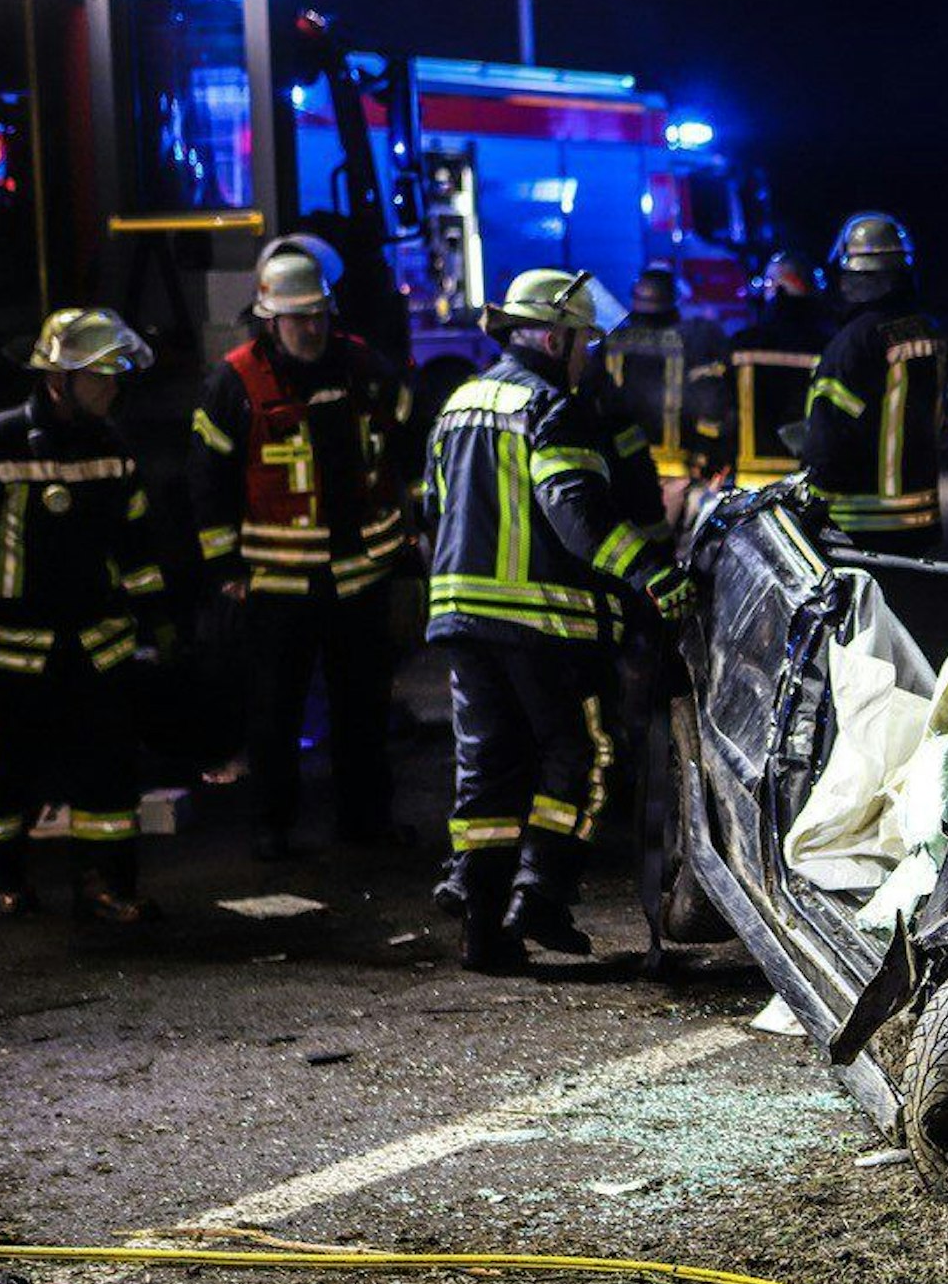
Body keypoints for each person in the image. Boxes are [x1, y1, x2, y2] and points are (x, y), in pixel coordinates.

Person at [424, 269, 693, 972]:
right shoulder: (552, 406)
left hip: (459, 616)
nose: (588, 356)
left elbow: (436, 506)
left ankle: (483, 931)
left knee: (486, 769)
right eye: (581, 341)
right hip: (541, 621)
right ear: (552, 336)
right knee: (581, 755)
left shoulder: (459, 402)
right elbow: (577, 514)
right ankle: (540, 894)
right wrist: (652, 574)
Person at [190, 249, 417, 860]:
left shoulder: (366, 369)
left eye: (317, 316)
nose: (311, 329)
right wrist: (226, 571)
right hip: (277, 582)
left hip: (358, 578)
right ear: (269, 321)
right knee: (274, 714)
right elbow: (208, 486)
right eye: (298, 319)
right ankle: (273, 826)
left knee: (363, 709)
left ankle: (365, 821)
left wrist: (405, 544)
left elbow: (405, 454)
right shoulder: (234, 384)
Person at [0, 308, 168, 920]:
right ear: (58, 382)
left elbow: (136, 548)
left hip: (97, 641)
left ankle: (105, 883)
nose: (112, 388)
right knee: (7, 765)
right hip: (16, 643)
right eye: (99, 377)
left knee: (107, 765)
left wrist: (158, 624)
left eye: (115, 376)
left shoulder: (115, 449)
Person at [799, 212, 948, 553]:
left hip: (861, 522)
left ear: (856, 276)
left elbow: (829, 434)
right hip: (921, 515)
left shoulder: (854, 341)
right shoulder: (929, 330)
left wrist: (811, 503)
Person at [597, 266, 732, 506]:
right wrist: (706, 454)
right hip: (676, 468)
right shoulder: (694, 339)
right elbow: (712, 403)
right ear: (673, 299)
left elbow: (593, 398)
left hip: (621, 465)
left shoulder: (610, 343)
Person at [728, 252, 832, 490]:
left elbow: (722, 409)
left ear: (775, 287)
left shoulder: (743, 342)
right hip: (810, 483)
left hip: (751, 484)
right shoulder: (833, 344)